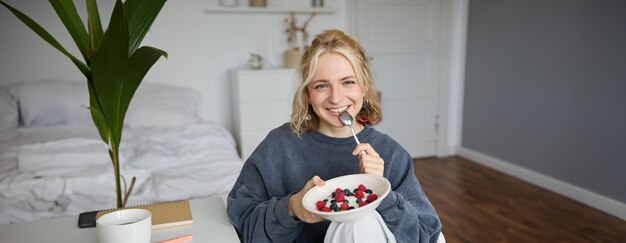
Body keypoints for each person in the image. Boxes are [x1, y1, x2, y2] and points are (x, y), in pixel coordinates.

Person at [227, 29, 441, 243]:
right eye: (322, 85)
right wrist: (292, 208)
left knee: (359, 222)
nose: (336, 97)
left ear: (364, 86)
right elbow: (240, 225)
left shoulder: (392, 155)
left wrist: (381, 191)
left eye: (348, 82)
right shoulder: (277, 147)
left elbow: (426, 236)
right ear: (308, 94)